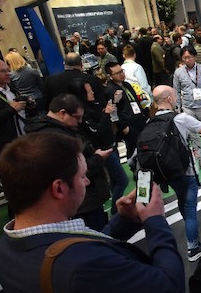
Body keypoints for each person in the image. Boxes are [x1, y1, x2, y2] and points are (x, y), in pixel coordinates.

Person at [0, 132, 201, 293]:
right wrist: (156, 220)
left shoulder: (8, 250)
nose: (86, 182)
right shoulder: (78, 268)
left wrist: (122, 222)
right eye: (83, 176)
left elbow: (80, 260)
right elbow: (168, 286)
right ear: (59, 188)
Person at [152, 85, 201, 260]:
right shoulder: (181, 119)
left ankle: (189, 227)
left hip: (168, 173)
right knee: (191, 209)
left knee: (182, 201)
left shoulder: (151, 122)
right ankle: (193, 247)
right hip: (186, 171)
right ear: (170, 99)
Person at [25, 94, 112, 230]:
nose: (79, 122)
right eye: (77, 118)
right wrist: (98, 158)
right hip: (83, 202)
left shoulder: (45, 131)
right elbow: (72, 170)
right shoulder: (56, 138)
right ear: (63, 113)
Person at [67, 77, 127, 214]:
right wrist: (106, 113)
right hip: (102, 149)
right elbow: (97, 131)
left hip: (111, 143)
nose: (92, 93)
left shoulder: (95, 104)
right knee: (122, 180)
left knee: (115, 179)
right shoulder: (82, 113)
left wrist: (113, 104)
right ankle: (116, 210)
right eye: (88, 92)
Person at [173, 47, 201, 169]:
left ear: (194, 57)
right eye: (184, 58)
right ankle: (200, 158)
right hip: (188, 107)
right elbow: (176, 91)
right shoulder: (178, 73)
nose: (187, 60)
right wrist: (177, 108)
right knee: (193, 134)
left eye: (189, 57)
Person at [104, 61, 147, 158]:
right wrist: (123, 127)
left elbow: (136, 101)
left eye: (122, 71)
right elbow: (113, 112)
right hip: (128, 125)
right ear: (110, 76)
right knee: (133, 150)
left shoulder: (127, 85)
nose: (121, 74)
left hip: (139, 119)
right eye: (117, 73)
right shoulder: (110, 90)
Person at [5, 50, 45, 115]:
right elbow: (41, 86)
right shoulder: (33, 71)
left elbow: (13, 89)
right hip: (38, 98)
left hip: (23, 102)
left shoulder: (11, 76)